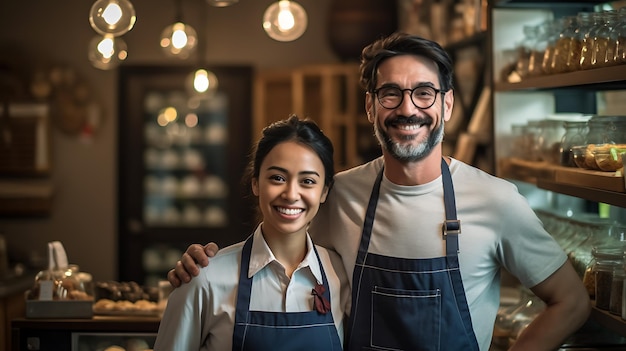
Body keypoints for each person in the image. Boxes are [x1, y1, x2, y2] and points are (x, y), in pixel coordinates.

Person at [168, 32, 591, 351]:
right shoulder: (341, 194)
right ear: (371, 106)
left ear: (446, 105)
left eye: (423, 93)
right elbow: (277, 243)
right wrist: (202, 265)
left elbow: (571, 303)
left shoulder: (496, 201)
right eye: (390, 93)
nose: (407, 108)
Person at [154, 115, 350, 350]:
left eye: (307, 181)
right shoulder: (203, 279)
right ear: (256, 183)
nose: (290, 193)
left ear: (324, 192)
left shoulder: (340, 274)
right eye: (277, 178)